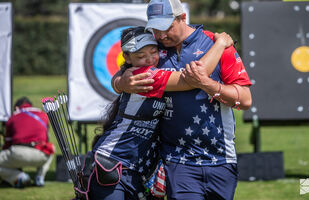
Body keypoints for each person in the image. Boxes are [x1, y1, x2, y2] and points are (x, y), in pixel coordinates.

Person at [112, 0, 252, 199]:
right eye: (155, 29)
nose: (160, 35)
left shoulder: (216, 43)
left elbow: (245, 100)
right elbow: (125, 72)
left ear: (183, 18)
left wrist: (209, 85)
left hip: (221, 158)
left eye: (166, 27)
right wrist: (119, 82)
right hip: (177, 161)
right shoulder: (152, 50)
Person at [84, 27, 233, 200]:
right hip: (114, 162)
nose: (149, 59)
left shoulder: (141, 72)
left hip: (138, 170)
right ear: (127, 58)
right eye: (140, 56)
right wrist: (220, 44)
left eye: (153, 52)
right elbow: (191, 79)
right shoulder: (142, 75)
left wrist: (117, 82)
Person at [0, 97, 54, 188]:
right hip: (40, 155)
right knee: (50, 148)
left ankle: (19, 177)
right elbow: (46, 140)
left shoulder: (13, 117)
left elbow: (7, 145)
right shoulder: (43, 115)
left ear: (17, 108)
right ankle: (39, 177)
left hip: (18, 154)